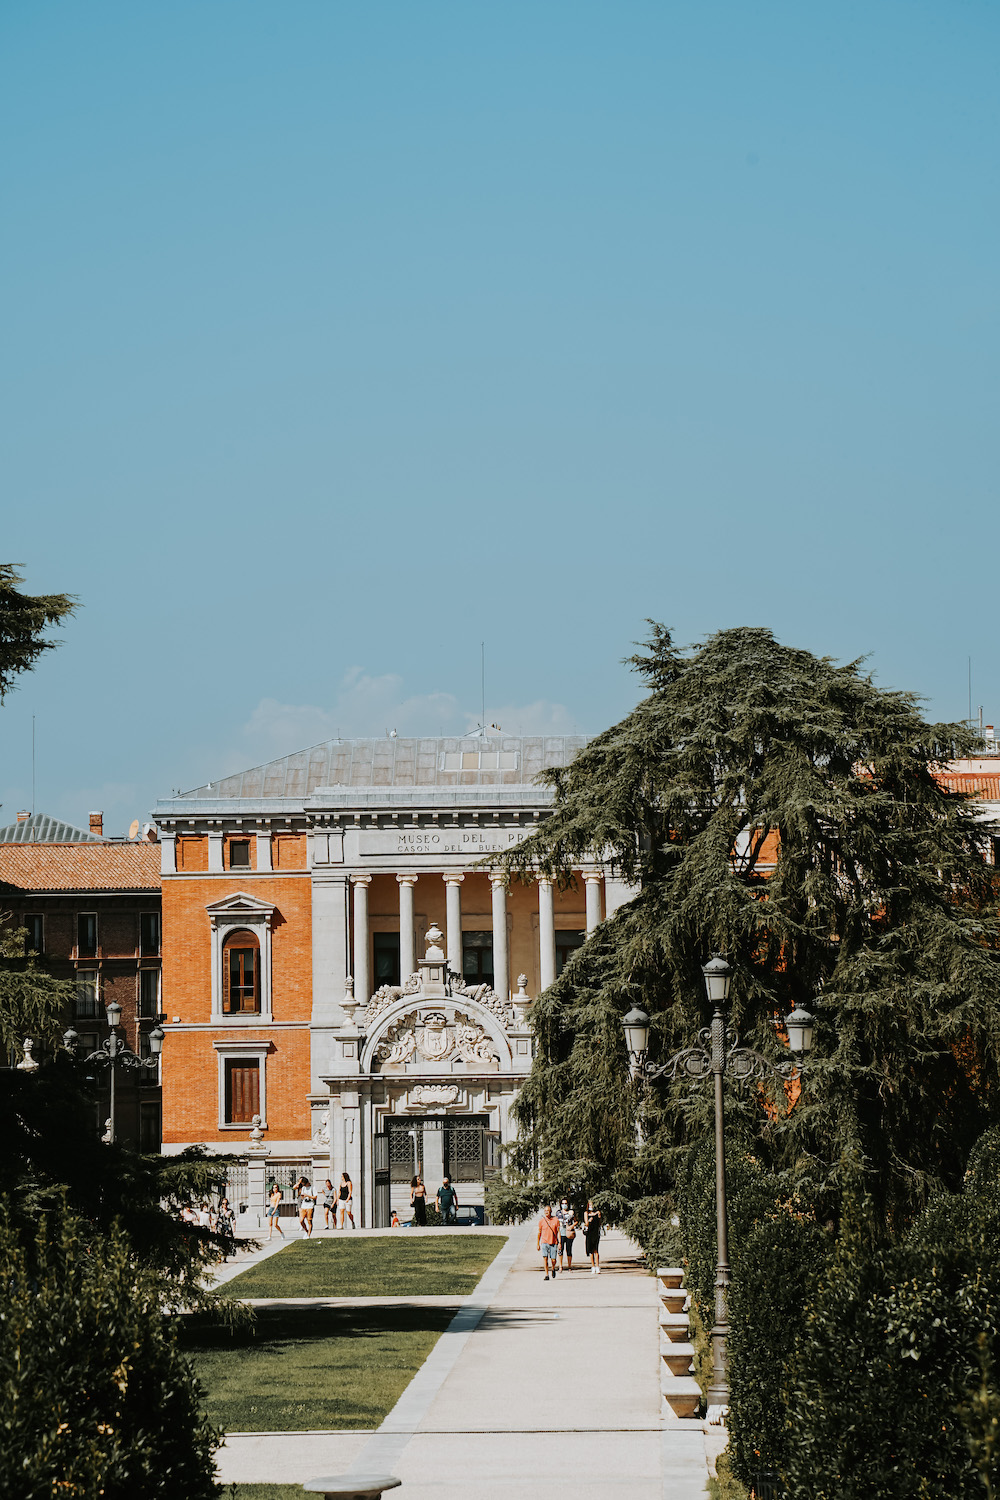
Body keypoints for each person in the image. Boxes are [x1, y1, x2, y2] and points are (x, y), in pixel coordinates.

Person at [536, 1203, 562, 1281]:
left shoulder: (556, 1220)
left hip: (553, 1242)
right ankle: (547, 1274)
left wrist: (560, 1242)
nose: (546, 1212)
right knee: (545, 1258)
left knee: (553, 1260)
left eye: (548, 1210)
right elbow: (539, 1233)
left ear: (551, 1211)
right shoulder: (542, 1221)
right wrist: (538, 1244)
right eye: (545, 1211)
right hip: (544, 1242)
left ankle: (553, 1268)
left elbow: (558, 1232)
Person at [555, 1197, 576, 1271]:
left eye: (565, 1203)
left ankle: (569, 1266)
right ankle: (560, 1266)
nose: (564, 1205)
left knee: (569, 1249)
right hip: (561, 1232)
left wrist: (571, 1226)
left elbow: (576, 1221)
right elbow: (556, 1222)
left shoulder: (571, 1212)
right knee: (560, 1249)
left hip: (569, 1232)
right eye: (563, 1203)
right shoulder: (558, 1212)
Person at [583, 1199, 602, 1274]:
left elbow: (600, 1223)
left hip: (596, 1233)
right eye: (590, 1205)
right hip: (589, 1233)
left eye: (592, 1205)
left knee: (596, 1250)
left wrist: (598, 1215)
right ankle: (593, 1266)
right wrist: (589, 1220)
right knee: (590, 1251)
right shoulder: (586, 1213)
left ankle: (597, 1266)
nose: (591, 1206)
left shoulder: (597, 1213)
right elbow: (586, 1223)